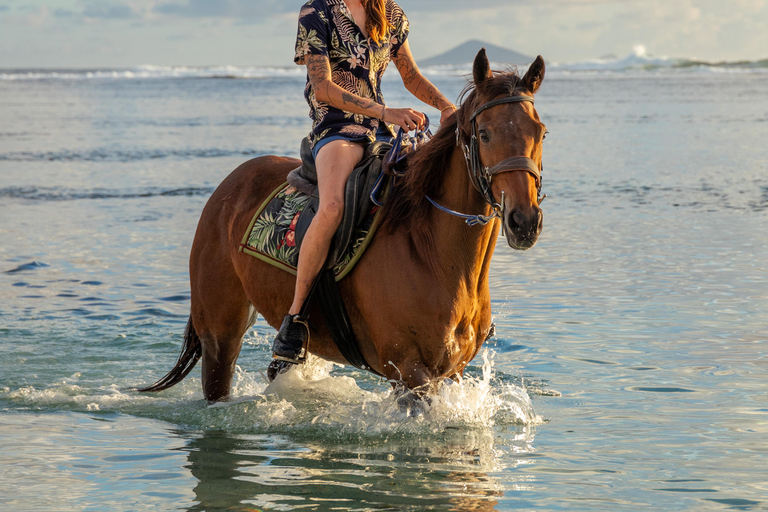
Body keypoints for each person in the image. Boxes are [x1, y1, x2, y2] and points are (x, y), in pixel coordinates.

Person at [271, 0, 457, 368]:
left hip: (382, 132)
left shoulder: (391, 14)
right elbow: (322, 87)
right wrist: (387, 112)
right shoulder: (317, 11)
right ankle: (295, 320)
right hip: (337, 129)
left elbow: (411, 76)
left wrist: (448, 107)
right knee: (333, 206)